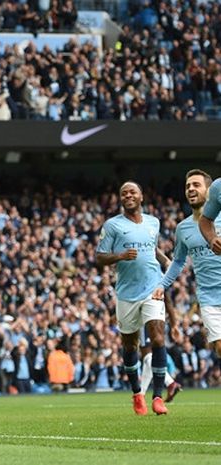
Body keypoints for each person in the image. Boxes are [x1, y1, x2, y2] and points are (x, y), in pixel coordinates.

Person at [96, 181, 171, 416]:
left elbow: (152, 248)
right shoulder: (113, 225)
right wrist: (119, 256)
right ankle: (138, 393)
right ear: (121, 199)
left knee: (158, 339)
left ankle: (158, 397)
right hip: (127, 293)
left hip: (153, 289)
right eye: (124, 193)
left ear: (141, 196)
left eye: (132, 192)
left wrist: (166, 262)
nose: (128, 195)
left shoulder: (153, 222)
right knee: (131, 345)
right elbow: (99, 257)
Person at [161, 169, 221, 360]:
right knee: (219, 346)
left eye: (196, 185)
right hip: (209, 297)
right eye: (188, 186)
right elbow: (178, 261)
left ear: (210, 190)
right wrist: (161, 286)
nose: (191, 189)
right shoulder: (182, 228)